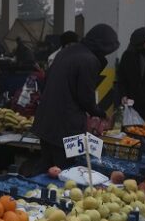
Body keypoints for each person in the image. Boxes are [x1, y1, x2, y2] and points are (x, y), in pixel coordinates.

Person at [32, 24, 120, 169]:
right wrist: (101, 113)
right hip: (66, 128)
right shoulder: (88, 60)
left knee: (47, 170)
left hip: (46, 123)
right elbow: (86, 98)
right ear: (103, 46)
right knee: (68, 172)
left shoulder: (67, 52)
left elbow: (47, 81)